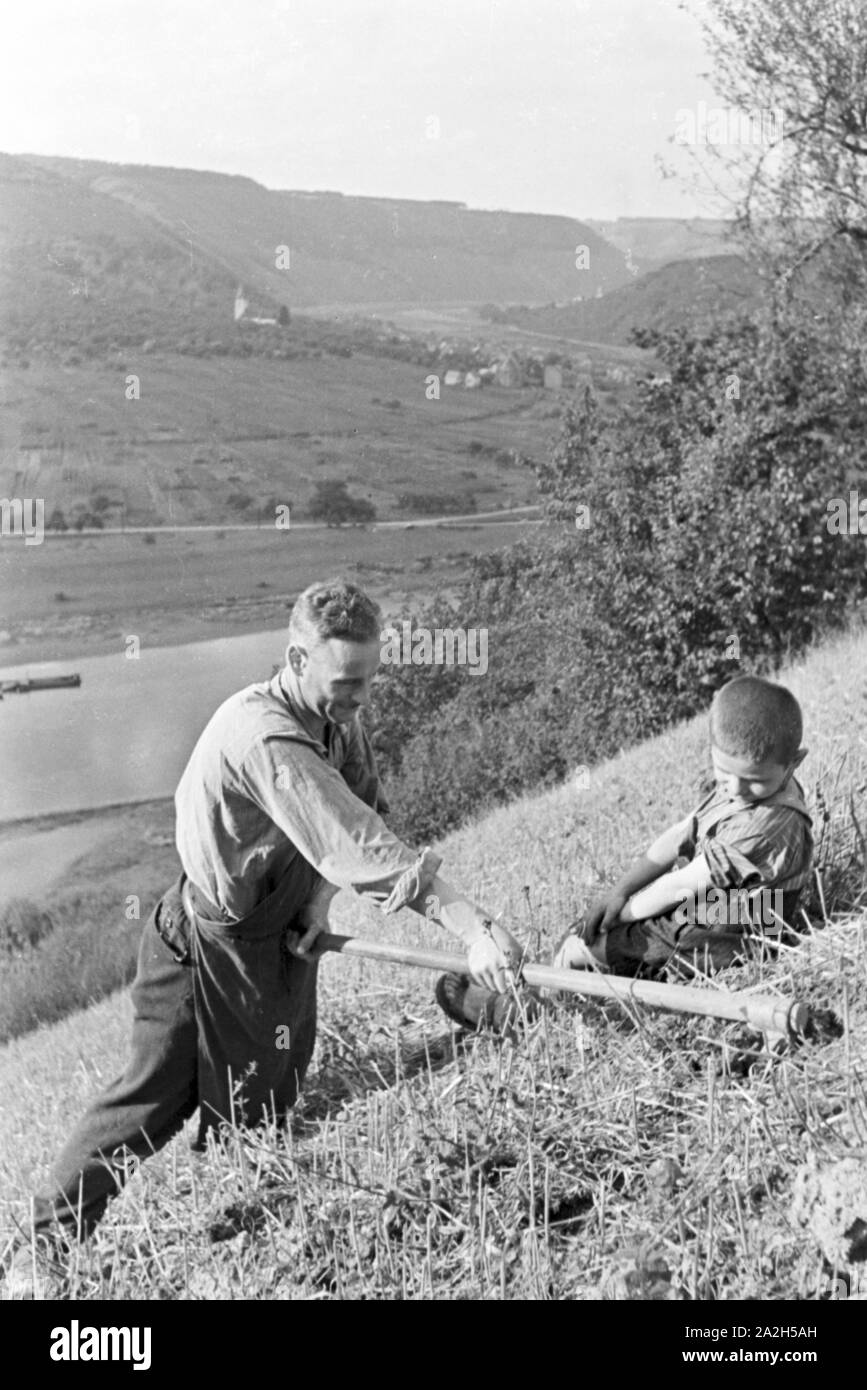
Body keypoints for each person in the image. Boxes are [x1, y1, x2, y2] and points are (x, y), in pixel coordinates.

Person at [5, 578, 519, 1292]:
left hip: (277, 933)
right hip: (204, 945)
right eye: (346, 682)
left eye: (369, 679)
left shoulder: (334, 716)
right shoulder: (265, 736)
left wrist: (315, 900)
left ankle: (241, 1234)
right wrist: (472, 928)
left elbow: (360, 801)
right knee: (151, 1100)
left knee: (264, 1100)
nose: (359, 698)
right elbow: (358, 841)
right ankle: (40, 1250)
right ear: (295, 658)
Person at [436, 674, 812, 1028]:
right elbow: (680, 835)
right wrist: (619, 891)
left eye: (755, 781)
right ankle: (549, 988)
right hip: (713, 903)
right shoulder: (738, 787)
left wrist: (621, 918)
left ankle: (530, 1012)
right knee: (587, 936)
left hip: (743, 922)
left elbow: (682, 885)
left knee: (594, 943)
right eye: (724, 773)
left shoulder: (766, 825)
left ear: (794, 763)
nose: (736, 789)